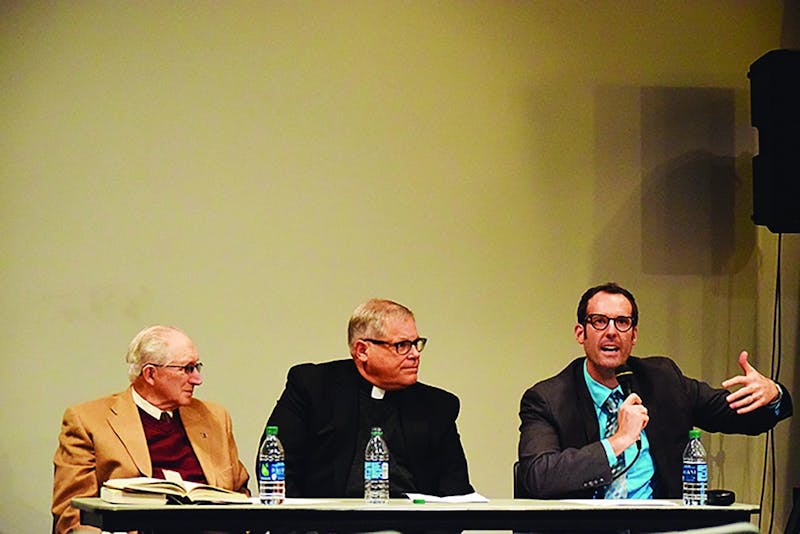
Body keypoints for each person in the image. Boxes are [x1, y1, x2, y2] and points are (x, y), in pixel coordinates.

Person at [517, 282, 793, 499]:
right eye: (599, 321)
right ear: (581, 333)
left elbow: (740, 415)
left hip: (659, 527)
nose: (611, 332)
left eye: (622, 322)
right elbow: (538, 476)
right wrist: (617, 442)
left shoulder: (663, 381)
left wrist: (773, 395)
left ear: (634, 336)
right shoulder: (547, 399)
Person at [261, 298, 474, 498]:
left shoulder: (437, 406)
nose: (415, 354)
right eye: (402, 345)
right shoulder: (313, 388)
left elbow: (456, 491)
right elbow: (276, 470)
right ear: (362, 350)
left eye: (416, 343)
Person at [52, 325, 250, 534]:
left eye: (197, 367)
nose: (197, 380)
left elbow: (242, 495)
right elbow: (72, 513)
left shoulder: (214, 417)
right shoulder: (89, 421)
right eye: (187, 369)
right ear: (150, 374)